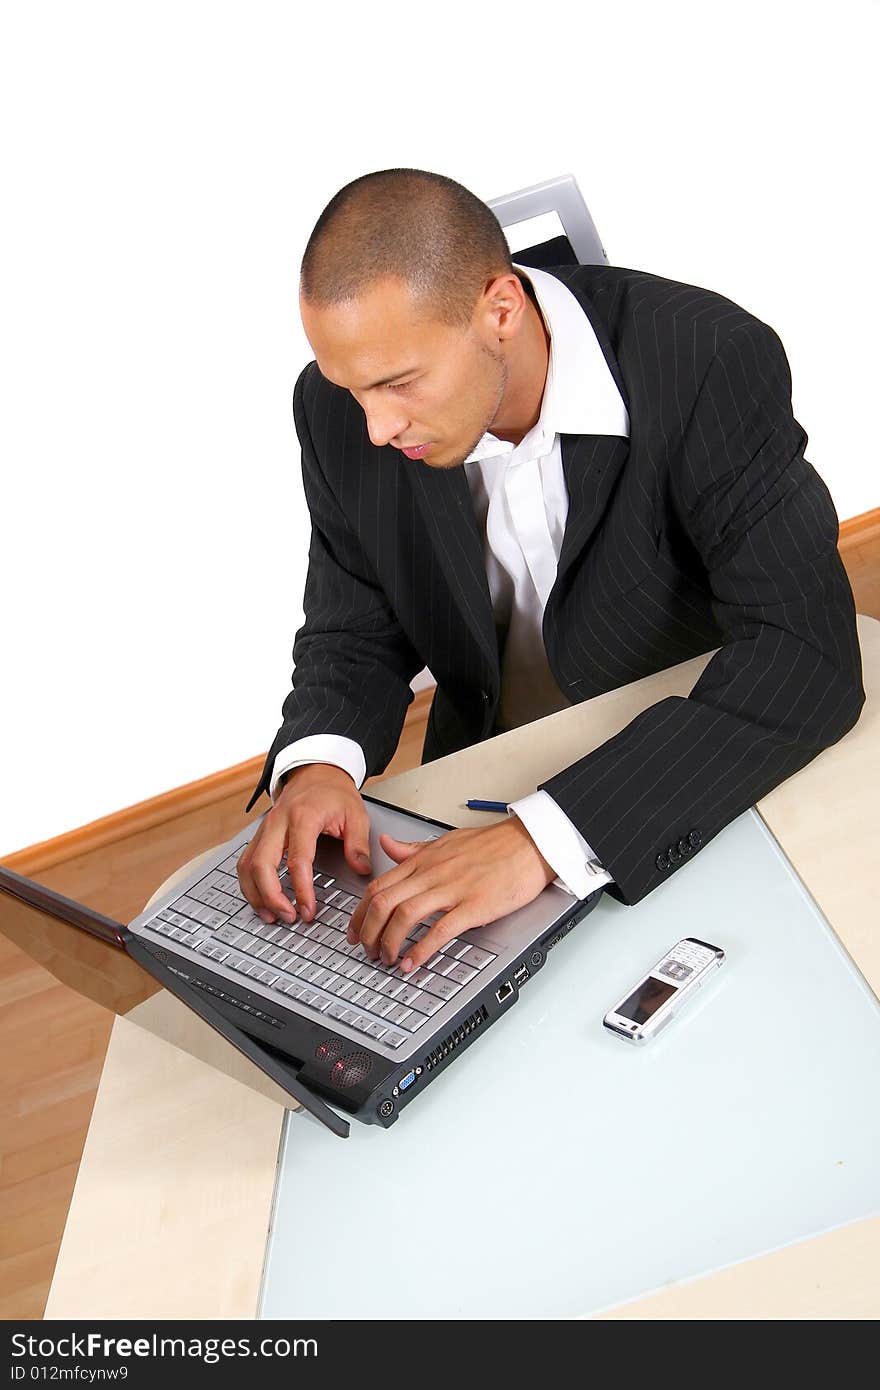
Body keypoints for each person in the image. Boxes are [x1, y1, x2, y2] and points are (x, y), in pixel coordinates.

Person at [238, 168, 864, 978]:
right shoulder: (337, 413)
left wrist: (547, 836)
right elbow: (354, 623)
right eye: (350, 388)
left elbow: (804, 658)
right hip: (484, 774)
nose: (377, 426)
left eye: (397, 384)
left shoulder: (708, 360)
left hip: (684, 760)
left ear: (501, 309)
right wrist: (320, 764)